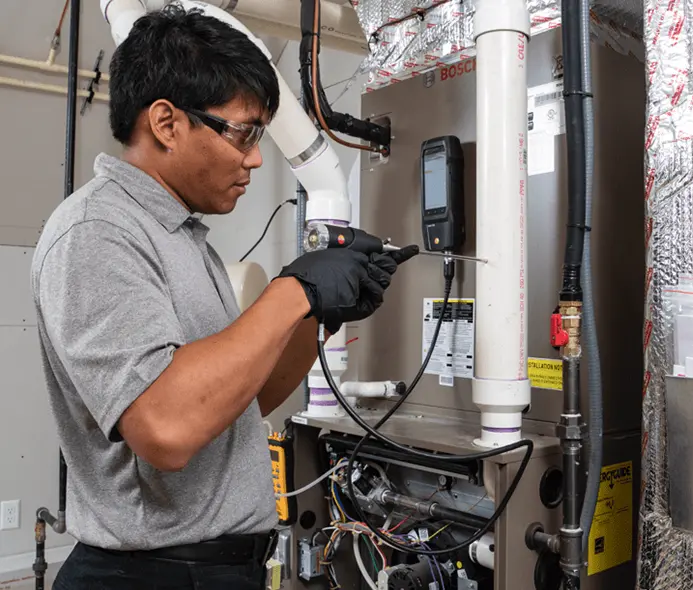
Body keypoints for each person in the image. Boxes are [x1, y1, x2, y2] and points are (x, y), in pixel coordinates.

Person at [31, 5, 416, 589]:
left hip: (215, 570)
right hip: (150, 576)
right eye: (243, 132)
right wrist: (292, 290)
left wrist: (320, 315)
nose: (257, 157)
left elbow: (237, 401)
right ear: (167, 123)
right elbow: (166, 428)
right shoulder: (97, 232)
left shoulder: (181, 237)